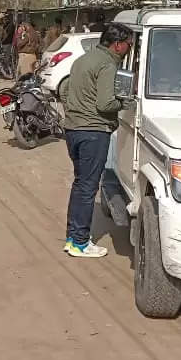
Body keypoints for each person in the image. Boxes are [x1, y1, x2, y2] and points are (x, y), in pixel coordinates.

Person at [60, 24, 133, 257]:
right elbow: (105, 104)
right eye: (129, 45)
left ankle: (73, 238)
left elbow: (65, 91)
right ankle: (80, 242)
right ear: (118, 44)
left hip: (73, 130)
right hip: (94, 131)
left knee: (80, 185)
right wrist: (126, 102)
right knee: (88, 187)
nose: (129, 49)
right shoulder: (108, 64)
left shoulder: (83, 59)